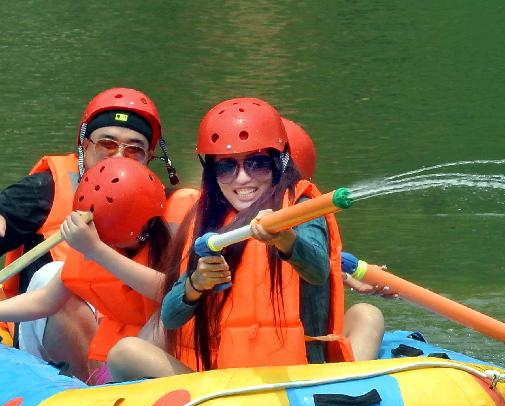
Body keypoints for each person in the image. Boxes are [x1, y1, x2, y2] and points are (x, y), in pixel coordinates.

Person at [107, 98, 367, 381]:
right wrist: (196, 285)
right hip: (221, 383)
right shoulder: (205, 218)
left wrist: (284, 239)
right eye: (226, 167)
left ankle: (349, 396)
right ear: (212, 173)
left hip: (299, 377)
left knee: (368, 315)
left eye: (257, 164)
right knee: (125, 352)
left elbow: (317, 270)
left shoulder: (301, 207)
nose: (242, 179)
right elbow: (170, 318)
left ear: (278, 163)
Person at [0, 87, 179, 373]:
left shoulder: (162, 206)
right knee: (52, 274)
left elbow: (175, 291)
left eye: (133, 149)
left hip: (127, 338)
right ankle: (89, 384)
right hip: (51, 327)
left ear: (147, 157)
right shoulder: (48, 189)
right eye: (107, 145)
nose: (119, 157)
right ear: (85, 146)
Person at [0, 158, 171, 384]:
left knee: (138, 340)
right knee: (120, 352)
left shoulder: (177, 236)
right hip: (120, 367)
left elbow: (168, 291)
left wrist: (97, 249)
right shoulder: (94, 242)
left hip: (168, 363)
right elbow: (45, 300)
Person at [282, 116, 387, 360]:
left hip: (309, 346)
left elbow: (320, 259)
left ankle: (347, 389)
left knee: (367, 314)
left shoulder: (305, 216)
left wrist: (348, 276)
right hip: (259, 357)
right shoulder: (223, 227)